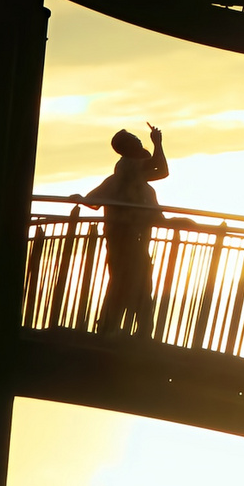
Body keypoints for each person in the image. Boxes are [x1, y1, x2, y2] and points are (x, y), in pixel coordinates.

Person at [81, 124, 174, 337]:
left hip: (125, 240)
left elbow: (93, 200)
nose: (139, 142)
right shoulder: (128, 169)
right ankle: (131, 332)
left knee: (125, 284)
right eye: (135, 139)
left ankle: (112, 328)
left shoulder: (126, 173)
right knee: (133, 284)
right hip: (128, 241)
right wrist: (158, 143)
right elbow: (161, 169)